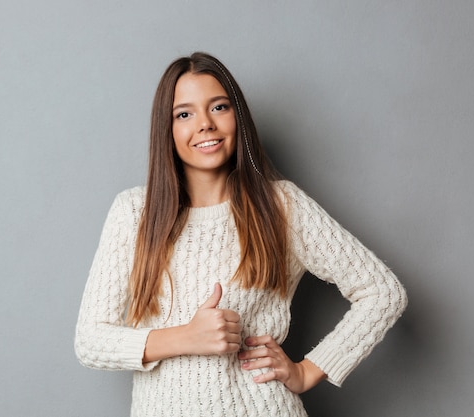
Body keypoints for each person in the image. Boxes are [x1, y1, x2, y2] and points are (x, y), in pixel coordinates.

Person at [74, 52, 407, 417]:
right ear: (166, 130)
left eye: (218, 107)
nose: (205, 124)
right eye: (184, 114)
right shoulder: (134, 212)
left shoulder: (280, 205)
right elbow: (90, 341)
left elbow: (382, 292)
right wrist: (186, 337)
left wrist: (306, 370)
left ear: (238, 117)